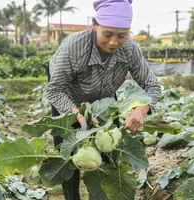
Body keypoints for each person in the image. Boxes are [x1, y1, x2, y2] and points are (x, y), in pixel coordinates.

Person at [46, 0, 161, 199]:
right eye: (107, 34)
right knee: (67, 152)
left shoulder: (130, 50)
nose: (114, 42)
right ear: (94, 24)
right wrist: (78, 115)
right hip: (68, 95)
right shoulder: (74, 47)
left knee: (110, 152)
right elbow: (55, 89)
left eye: (121, 35)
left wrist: (142, 108)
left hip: (104, 99)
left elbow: (153, 85)